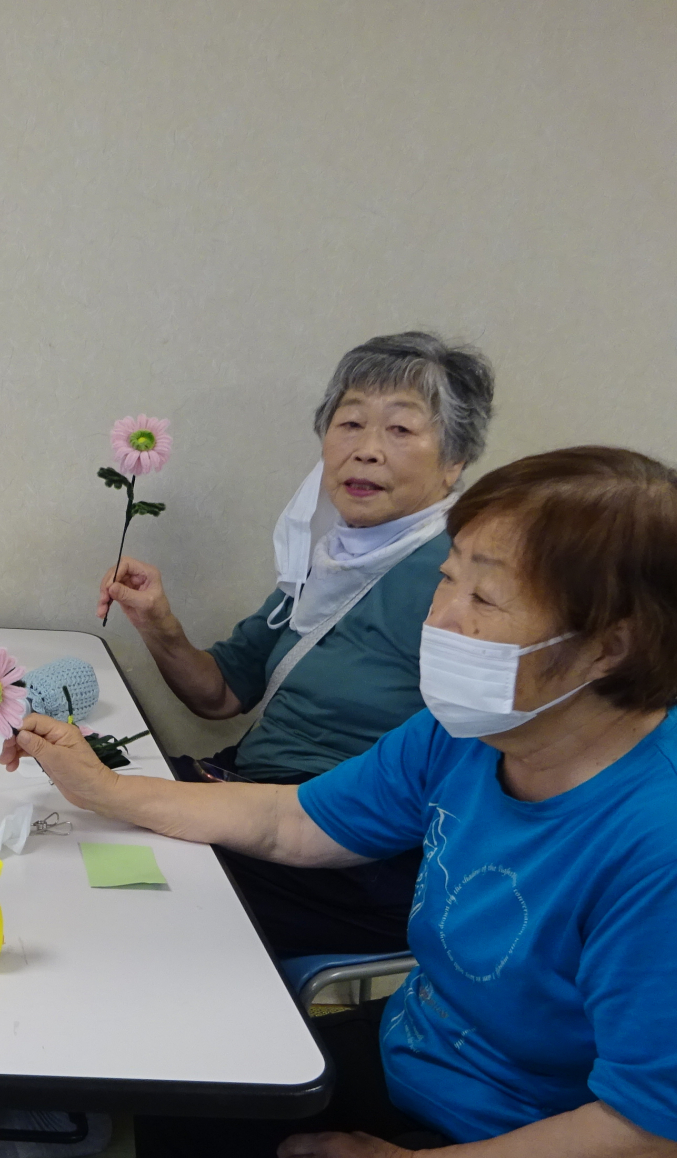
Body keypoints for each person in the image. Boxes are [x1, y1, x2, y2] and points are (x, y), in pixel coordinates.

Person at [8, 448, 677, 1158]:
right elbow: (297, 821)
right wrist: (108, 790)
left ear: (611, 645)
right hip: (441, 1058)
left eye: (485, 597)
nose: (442, 617)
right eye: (447, 577)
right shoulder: (474, 733)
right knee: (198, 1095)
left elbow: (657, 1128)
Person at [98, 332, 494, 958]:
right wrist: (157, 623)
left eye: (400, 429)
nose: (366, 450)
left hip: (345, 855)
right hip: (252, 798)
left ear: (456, 459)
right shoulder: (331, 555)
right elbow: (221, 695)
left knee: (112, 879)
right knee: (75, 817)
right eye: (350, 423)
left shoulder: (462, 577)